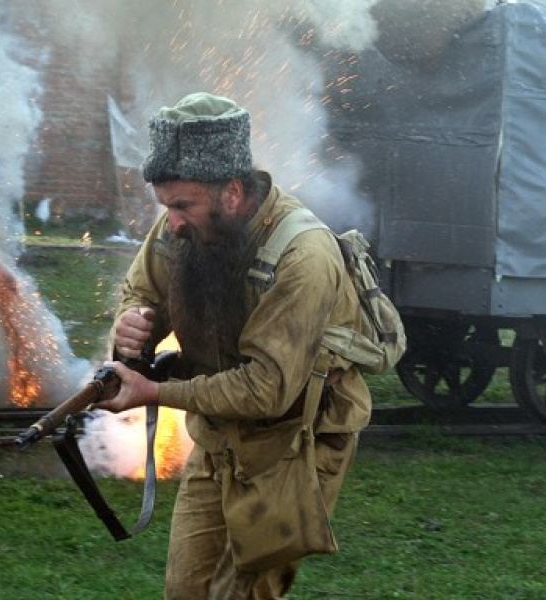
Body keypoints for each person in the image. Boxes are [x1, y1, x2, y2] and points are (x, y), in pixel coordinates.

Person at [94, 92, 371, 600]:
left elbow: (266, 391)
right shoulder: (182, 225)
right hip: (220, 437)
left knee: (240, 594)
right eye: (166, 205)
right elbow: (142, 287)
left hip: (294, 443)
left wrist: (153, 394)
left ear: (234, 193)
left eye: (182, 206)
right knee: (186, 591)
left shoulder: (303, 257)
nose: (171, 220)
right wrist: (134, 322)